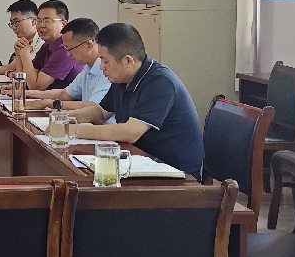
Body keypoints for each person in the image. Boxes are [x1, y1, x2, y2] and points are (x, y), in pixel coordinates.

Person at [70, 23, 204, 179]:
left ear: (128, 61)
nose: (101, 67)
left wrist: (75, 130)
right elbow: (100, 112)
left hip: (174, 171)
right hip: (141, 160)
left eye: (105, 61)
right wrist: (63, 120)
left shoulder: (160, 82)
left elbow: (130, 132)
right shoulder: (122, 78)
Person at [25, 18, 115, 123]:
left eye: (70, 49)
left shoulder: (106, 69)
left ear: (89, 45)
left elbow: (95, 106)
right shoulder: (88, 68)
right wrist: (28, 93)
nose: (68, 54)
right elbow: (65, 94)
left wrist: (48, 103)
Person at [13, 0, 84, 91]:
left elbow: (36, 87)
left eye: (47, 21)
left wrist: (25, 55)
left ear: (63, 24)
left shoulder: (65, 49)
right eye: (39, 21)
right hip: (45, 98)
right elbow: (25, 80)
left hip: (61, 100)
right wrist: (19, 52)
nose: (42, 25)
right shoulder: (47, 46)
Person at [0, 0, 45, 76]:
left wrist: (9, 73)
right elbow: (10, 67)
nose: (13, 27)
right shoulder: (25, 42)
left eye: (16, 22)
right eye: (12, 23)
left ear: (33, 21)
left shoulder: (43, 43)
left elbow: (31, 77)